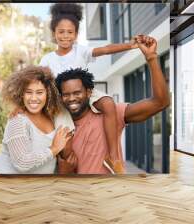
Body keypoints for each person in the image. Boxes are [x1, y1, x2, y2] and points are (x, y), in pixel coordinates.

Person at [39, 3, 140, 174]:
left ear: (76, 34)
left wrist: (130, 45)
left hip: (84, 94)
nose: (65, 36)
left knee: (108, 103)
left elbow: (106, 49)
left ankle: (113, 157)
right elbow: (36, 83)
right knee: (66, 137)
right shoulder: (47, 59)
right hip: (61, 100)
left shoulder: (82, 51)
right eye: (61, 32)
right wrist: (21, 107)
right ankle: (71, 173)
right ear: (54, 34)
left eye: (70, 32)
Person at [55, 36, 170, 174]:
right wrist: (64, 170)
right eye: (66, 94)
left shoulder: (109, 114)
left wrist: (151, 58)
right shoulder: (58, 126)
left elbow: (160, 103)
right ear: (60, 97)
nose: (71, 98)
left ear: (89, 92)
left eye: (77, 93)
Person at [0, 66, 71, 174]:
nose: (33, 98)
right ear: (21, 94)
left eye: (39, 92)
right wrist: (54, 149)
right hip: (6, 185)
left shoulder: (51, 116)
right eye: (28, 92)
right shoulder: (18, 120)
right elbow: (21, 162)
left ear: (48, 93)